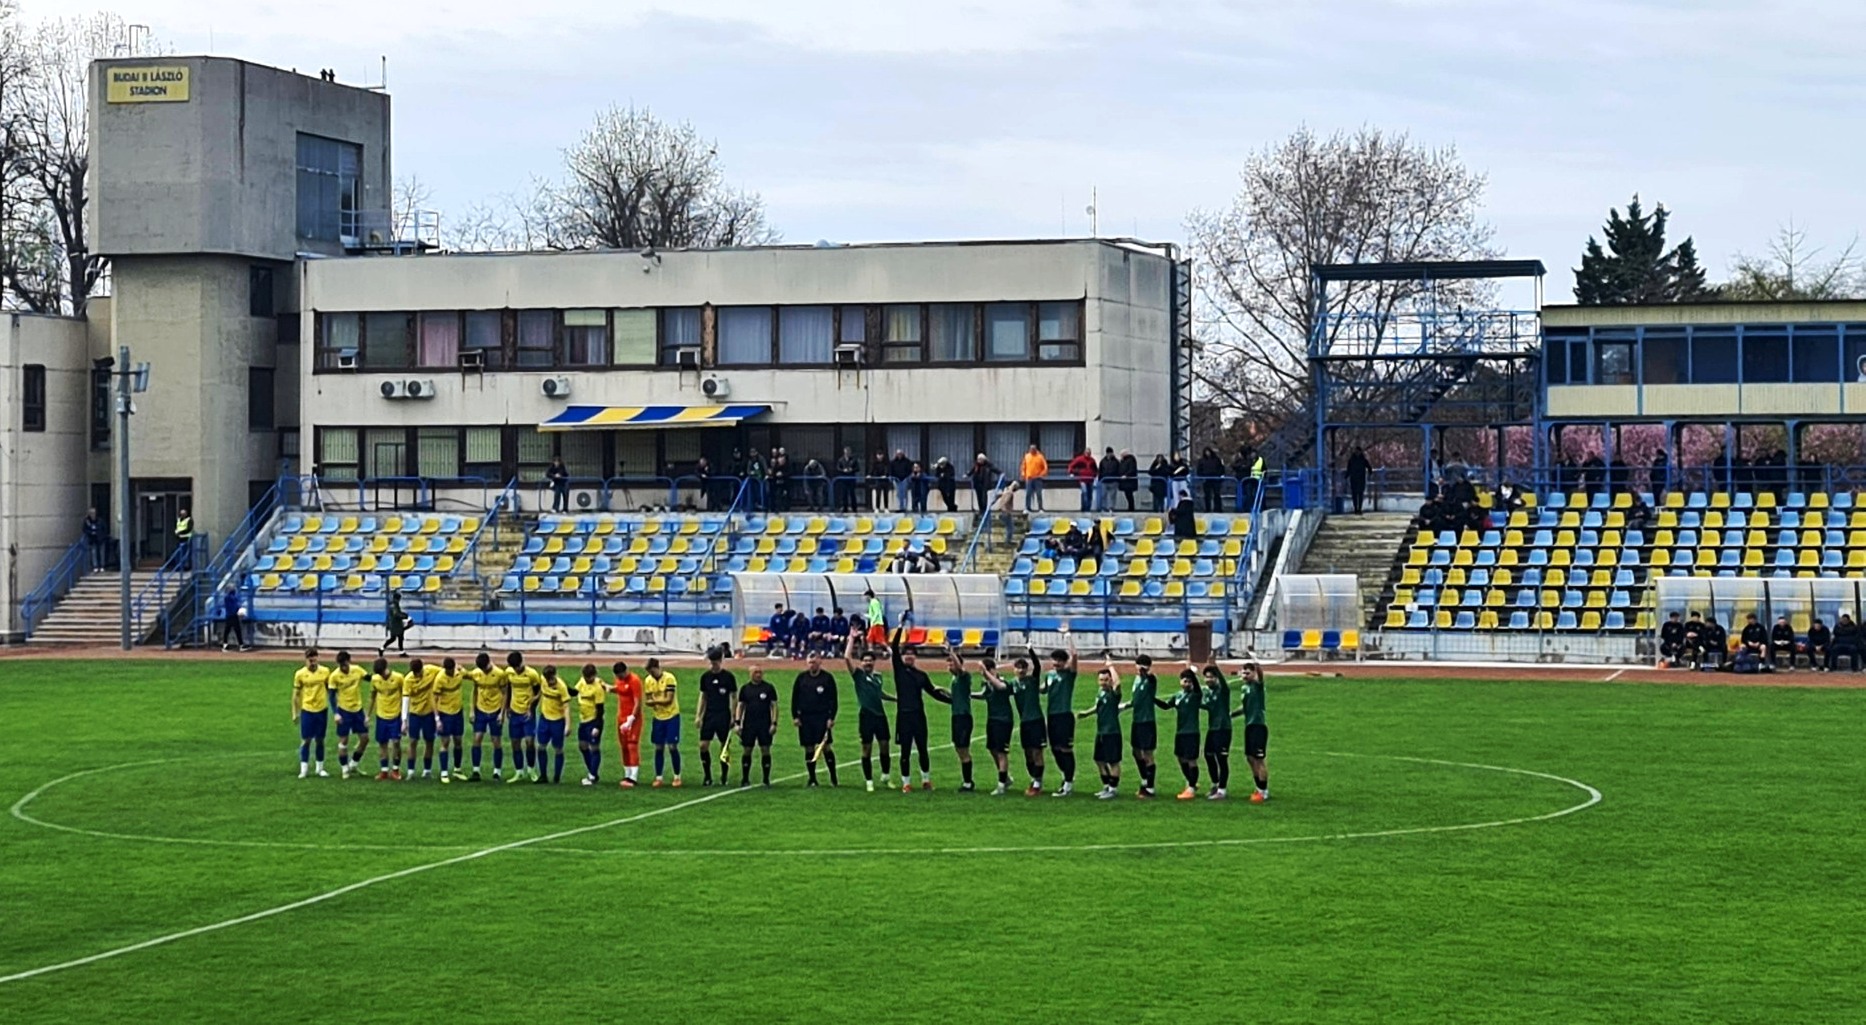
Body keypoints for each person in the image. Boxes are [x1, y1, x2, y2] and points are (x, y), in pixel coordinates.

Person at [889, 613, 941, 791]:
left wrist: (952, 701)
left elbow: (933, 692)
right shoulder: (899, 670)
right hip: (904, 716)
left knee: (922, 749)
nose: (909, 657)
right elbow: (894, 647)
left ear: (916, 657)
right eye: (906, 654)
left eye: (912, 654)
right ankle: (906, 783)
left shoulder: (921, 676)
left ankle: (926, 780)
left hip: (918, 716)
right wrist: (900, 626)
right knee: (905, 751)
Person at [843, 632, 895, 792]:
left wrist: (896, 699)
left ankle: (886, 776)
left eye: (870, 660)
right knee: (866, 749)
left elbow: (880, 694)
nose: (867, 663)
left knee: (885, 746)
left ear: (874, 662)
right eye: (865, 661)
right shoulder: (858, 675)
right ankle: (869, 781)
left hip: (880, 716)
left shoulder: (878, 677)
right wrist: (851, 639)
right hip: (866, 716)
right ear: (862, 662)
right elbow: (847, 658)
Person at [931, 646, 978, 792]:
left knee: (963, 749)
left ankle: (968, 783)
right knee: (959, 748)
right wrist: (943, 691)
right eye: (948, 664)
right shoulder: (955, 680)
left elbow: (960, 668)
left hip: (963, 717)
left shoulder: (964, 676)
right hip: (956, 717)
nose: (950, 666)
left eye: (952, 663)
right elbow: (956, 697)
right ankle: (967, 781)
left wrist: (951, 651)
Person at [1041, 628, 1081, 798]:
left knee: (1065, 749)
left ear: (1065, 662)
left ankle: (1069, 783)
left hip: (1064, 716)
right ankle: (1066, 777)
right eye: (1054, 660)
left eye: (1059, 660)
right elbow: (1043, 690)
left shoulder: (1069, 674)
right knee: (1055, 749)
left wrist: (1068, 636)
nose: (1056, 663)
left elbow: (1075, 655)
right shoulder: (1049, 675)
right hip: (1052, 716)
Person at [792, 653, 840, 787]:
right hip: (805, 718)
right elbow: (795, 698)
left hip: (822, 717)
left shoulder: (827, 678)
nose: (812, 665)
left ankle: (833, 777)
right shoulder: (801, 678)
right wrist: (795, 716)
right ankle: (812, 778)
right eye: (810, 662)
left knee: (825, 747)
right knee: (808, 748)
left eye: (814, 662)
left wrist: (831, 717)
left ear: (820, 662)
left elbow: (833, 699)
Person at [1078, 666, 1123, 800]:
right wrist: (1086, 713)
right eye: (1101, 680)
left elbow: (1118, 683)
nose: (1103, 683)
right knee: (1099, 760)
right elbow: (1098, 707)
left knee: (1113, 762)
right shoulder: (1100, 692)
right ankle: (1106, 786)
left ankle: (1113, 789)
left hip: (1112, 732)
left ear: (1111, 680)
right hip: (1101, 731)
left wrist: (1111, 666)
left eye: (1106, 680)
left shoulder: (1114, 694)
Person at [975, 656, 1016, 795]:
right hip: (992, 719)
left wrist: (987, 674)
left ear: (992, 669)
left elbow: (1001, 687)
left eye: (985, 670)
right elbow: (983, 695)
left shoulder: (1002, 681)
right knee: (992, 749)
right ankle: (1005, 778)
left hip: (1003, 720)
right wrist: (965, 695)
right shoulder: (986, 683)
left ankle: (1001, 785)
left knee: (1001, 752)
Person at [695, 651, 737, 786]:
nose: (713, 665)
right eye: (712, 663)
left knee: (724, 746)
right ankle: (707, 776)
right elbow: (703, 697)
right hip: (709, 715)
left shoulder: (728, 677)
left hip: (723, 714)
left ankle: (724, 775)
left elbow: (734, 697)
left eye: (716, 662)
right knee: (703, 745)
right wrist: (699, 715)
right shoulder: (705, 677)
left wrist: (734, 715)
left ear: (721, 661)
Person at [290, 648, 332, 779]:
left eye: (314, 660)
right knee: (306, 740)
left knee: (320, 739)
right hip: (307, 709)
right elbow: (296, 695)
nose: (312, 663)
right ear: (306, 660)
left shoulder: (325, 672)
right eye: (310, 660)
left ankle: (320, 768)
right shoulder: (300, 674)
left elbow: (330, 690)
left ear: (317, 658)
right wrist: (295, 712)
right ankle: (304, 769)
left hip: (321, 709)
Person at [734, 666, 780, 787]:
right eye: (755, 672)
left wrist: (774, 723)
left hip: (764, 724)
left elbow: (774, 706)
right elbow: (740, 706)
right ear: (750, 674)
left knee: (765, 749)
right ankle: (745, 778)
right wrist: (737, 723)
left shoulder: (768, 688)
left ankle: (766, 779)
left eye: (760, 672)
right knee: (747, 750)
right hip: (749, 724)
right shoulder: (745, 689)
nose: (758, 675)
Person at [328, 650, 370, 779]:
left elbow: (370, 678)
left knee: (365, 738)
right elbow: (331, 696)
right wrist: (336, 713)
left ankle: (353, 764)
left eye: (345, 665)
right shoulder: (334, 676)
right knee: (343, 740)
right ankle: (344, 769)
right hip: (344, 710)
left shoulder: (357, 670)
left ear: (349, 661)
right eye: (341, 665)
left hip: (358, 710)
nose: (343, 668)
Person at [503, 651, 544, 783]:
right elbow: (508, 689)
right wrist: (507, 707)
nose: (516, 669)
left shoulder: (532, 674)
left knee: (529, 742)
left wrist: (531, 709)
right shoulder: (509, 673)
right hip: (514, 711)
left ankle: (531, 769)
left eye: (518, 666)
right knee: (515, 743)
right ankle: (518, 771)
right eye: (514, 667)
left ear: (522, 662)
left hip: (527, 713)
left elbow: (538, 693)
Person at [467, 651, 508, 781]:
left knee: (496, 741)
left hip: (495, 709)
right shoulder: (476, 673)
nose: (484, 671)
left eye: (485, 668)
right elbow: (474, 691)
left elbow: (505, 694)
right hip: (480, 709)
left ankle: (497, 771)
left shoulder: (500, 674)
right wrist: (472, 710)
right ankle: (476, 770)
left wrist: (502, 713)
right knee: (477, 738)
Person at [1124, 655, 1161, 798]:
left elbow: (1151, 678)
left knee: (1148, 754)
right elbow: (1136, 699)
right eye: (1138, 664)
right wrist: (1125, 706)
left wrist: (1145, 672)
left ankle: (1150, 788)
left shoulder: (1151, 679)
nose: (1140, 667)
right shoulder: (1136, 679)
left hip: (1147, 721)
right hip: (1137, 720)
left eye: (1143, 665)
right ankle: (1145, 779)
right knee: (1136, 751)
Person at [1011, 654, 1048, 796]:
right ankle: (1034, 778)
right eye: (1018, 668)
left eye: (1023, 668)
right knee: (1028, 754)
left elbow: (1037, 666)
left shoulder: (1032, 681)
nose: (1020, 670)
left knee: (1037, 752)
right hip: (1024, 723)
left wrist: (1030, 650)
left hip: (1036, 720)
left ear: (1027, 669)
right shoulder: (1013, 684)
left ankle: (1037, 783)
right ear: (1014, 669)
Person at [643, 657, 683, 786]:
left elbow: (668, 700)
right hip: (658, 717)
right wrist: (655, 702)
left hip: (672, 716)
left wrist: (654, 701)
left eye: (652, 671)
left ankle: (677, 776)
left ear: (657, 667)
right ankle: (659, 777)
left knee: (672, 746)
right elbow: (648, 699)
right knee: (658, 747)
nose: (651, 674)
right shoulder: (648, 681)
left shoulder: (669, 678)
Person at [1166, 668, 1203, 800]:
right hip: (1180, 732)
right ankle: (1191, 782)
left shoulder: (1196, 695)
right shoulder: (1178, 695)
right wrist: (1151, 699)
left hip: (1192, 732)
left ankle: (1191, 788)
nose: (1186, 684)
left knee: (1191, 760)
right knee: (1180, 758)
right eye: (1184, 681)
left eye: (1189, 681)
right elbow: (1166, 706)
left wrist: (1193, 675)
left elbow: (1198, 688)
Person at [398, 657, 438, 780]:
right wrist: (404, 721)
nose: (417, 675)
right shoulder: (408, 680)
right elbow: (405, 700)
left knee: (429, 741)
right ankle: (411, 771)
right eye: (415, 673)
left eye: (419, 673)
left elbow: (444, 672)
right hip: (415, 713)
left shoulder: (431, 670)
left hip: (429, 713)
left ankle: (427, 770)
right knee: (413, 741)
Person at [1238, 662, 1270, 802]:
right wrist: (1231, 715)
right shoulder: (1244, 688)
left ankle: (1264, 791)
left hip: (1258, 726)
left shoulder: (1257, 686)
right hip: (1249, 726)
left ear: (1253, 674)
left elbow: (1261, 677)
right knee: (1250, 758)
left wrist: (1258, 668)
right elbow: (1244, 708)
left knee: (1259, 759)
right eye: (1243, 672)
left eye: (1248, 673)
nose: (1245, 675)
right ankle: (1258, 787)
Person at [369, 656, 404, 781]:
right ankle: (384, 770)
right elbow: (372, 697)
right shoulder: (375, 679)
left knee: (396, 743)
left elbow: (405, 696)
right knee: (382, 743)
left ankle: (395, 770)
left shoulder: (399, 678)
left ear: (387, 667)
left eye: (382, 673)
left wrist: (405, 717)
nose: (382, 676)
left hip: (395, 715)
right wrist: (368, 715)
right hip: (381, 716)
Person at [534, 665, 571, 785]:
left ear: (555, 675)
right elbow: (541, 690)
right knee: (541, 746)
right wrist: (535, 699)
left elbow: (566, 707)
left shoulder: (561, 687)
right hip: (544, 718)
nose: (549, 682)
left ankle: (557, 777)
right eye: (547, 679)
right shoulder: (542, 680)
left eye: (551, 679)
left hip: (557, 721)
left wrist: (567, 725)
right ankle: (543, 775)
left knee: (558, 749)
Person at [433, 656, 466, 783]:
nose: (451, 672)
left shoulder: (459, 673)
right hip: (445, 713)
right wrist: (437, 719)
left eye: (452, 669)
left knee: (458, 741)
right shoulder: (440, 679)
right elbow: (434, 699)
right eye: (448, 670)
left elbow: (468, 674)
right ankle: (444, 772)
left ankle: (457, 769)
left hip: (458, 712)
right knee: (445, 742)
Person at [612, 659, 645, 788]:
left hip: (632, 719)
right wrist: (608, 688)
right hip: (621, 717)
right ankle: (627, 774)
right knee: (624, 746)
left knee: (632, 745)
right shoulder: (619, 680)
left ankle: (634, 776)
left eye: (621, 675)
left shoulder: (634, 681)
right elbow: (620, 689)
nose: (620, 678)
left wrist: (631, 718)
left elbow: (637, 702)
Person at [574, 663, 607, 785]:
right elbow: (574, 692)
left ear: (594, 675)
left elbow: (600, 709)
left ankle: (592, 775)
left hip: (593, 720)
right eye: (585, 677)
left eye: (589, 678)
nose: (587, 680)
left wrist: (597, 726)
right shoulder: (582, 681)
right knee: (582, 746)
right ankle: (592, 772)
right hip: (583, 720)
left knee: (594, 747)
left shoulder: (598, 688)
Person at [1020, 443, 1049, 512]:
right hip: (1029, 478)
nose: (1032, 450)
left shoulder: (1040, 457)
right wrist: (1023, 474)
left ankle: (1040, 508)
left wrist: (1041, 474)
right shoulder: (1027, 456)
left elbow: (1045, 467)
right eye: (1031, 449)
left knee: (1039, 493)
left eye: (1033, 449)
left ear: (1036, 449)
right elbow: (1023, 466)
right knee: (1028, 493)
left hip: (1037, 478)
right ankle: (1027, 508)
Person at [380, 593, 409, 657]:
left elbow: (397, 613)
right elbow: (396, 614)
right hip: (395, 624)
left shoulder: (393, 604)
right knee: (394, 638)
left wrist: (403, 614)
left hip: (396, 624)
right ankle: (382, 648)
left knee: (399, 637)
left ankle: (401, 651)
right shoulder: (394, 605)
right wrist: (404, 616)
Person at [1196, 448, 1225, 512]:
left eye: (1208, 452)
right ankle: (1207, 509)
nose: (1207, 453)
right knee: (1207, 495)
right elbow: (1199, 470)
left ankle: (1218, 508)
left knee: (1217, 494)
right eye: (1206, 452)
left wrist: (1219, 475)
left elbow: (1221, 468)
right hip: (1206, 479)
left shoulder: (1216, 460)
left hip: (1215, 479)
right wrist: (1202, 477)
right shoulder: (1202, 460)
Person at [835, 447, 861, 513]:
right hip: (844, 479)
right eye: (846, 452)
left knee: (852, 494)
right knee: (844, 494)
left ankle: (854, 508)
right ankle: (845, 508)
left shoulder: (854, 460)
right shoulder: (841, 460)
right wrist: (843, 470)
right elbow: (838, 468)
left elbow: (858, 468)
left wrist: (852, 469)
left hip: (851, 479)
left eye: (848, 452)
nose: (847, 453)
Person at [1347, 446, 1372, 515]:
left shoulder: (1363, 459)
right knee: (1354, 494)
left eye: (1358, 451)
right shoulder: (1351, 460)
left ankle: (1359, 509)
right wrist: (1347, 475)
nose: (1357, 452)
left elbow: (1368, 466)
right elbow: (1348, 468)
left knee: (1360, 494)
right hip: (1354, 479)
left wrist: (1370, 471)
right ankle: (1356, 509)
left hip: (1361, 479)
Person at [218, 585, 244, 652]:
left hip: (231, 615)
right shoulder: (229, 597)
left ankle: (227, 645)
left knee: (230, 631)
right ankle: (239, 645)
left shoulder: (231, 597)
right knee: (232, 630)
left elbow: (236, 605)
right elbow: (235, 604)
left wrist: (239, 609)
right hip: (231, 615)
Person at [82, 507, 108, 572]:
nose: (93, 514)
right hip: (93, 539)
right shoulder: (87, 521)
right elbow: (84, 529)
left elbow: (104, 528)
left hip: (101, 539)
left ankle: (102, 566)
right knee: (94, 552)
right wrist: (91, 533)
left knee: (102, 553)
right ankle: (95, 566)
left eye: (94, 513)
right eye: (91, 513)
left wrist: (102, 535)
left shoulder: (100, 520)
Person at [1096, 447, 1121, 512]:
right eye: (1109, 453)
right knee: (1103, 495)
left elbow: (1119, 470)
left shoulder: (1116, 461)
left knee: (1112, 496)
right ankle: (1104, 508)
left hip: (1113, 481)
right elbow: (1100, 471)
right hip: (1104, 481)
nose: (1110, 454)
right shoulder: (1102, 461)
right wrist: (1100, 480)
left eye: (1111, 453)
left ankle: (1111, 508)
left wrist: (1118, 480)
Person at [174, 506, 193, 570]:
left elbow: (189, 529)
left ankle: (186, 567)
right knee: (178, 554)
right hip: (179, 539)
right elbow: (176, 527)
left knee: (186, 554)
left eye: (184, 514)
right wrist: (176, 532)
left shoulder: (189, 520)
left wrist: (180, 532)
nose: (182, 515)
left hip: (186, 539)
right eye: (181, 514)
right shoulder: (178, 520)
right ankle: (179, 567)